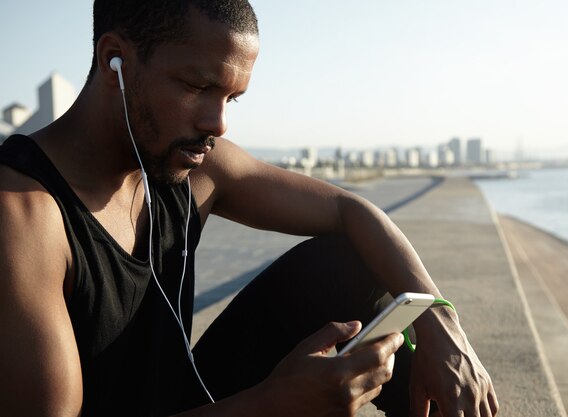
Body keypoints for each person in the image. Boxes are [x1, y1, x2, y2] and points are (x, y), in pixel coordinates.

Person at [0, 1, 499, 416]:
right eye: (199, 87)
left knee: (345, 265)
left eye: (232, 98)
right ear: (116, 61)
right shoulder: (24, 215)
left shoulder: (192, 163)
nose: (218, 124)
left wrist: (440, 323)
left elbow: (352, 212)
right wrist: (275, 404)